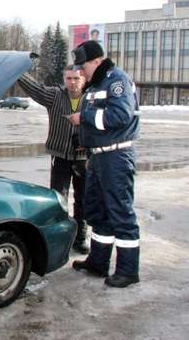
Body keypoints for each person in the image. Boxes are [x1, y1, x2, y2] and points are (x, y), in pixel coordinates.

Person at [67, 40, 140, 288]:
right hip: (99, 157)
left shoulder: (116, 81)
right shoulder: (96, 83)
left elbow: (120, 116)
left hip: (116, 157)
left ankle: (128, 271)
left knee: (120, 212)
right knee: (97, 212)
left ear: (97, 61)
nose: (80, 71)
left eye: (83, 66)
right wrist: (90, 157)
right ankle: (98, 262)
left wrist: (83, 116)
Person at [18, 66, 88, 254]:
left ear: (83, 79)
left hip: (84, 159)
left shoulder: (91, 98)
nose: (72, 82)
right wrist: (17, 69)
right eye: (68, 78)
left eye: (76, 78)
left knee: (83, 200)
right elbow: (35, 88)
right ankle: (61, 239)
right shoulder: (55, 95)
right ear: (64, 79)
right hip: (60, 157)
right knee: (58, 199)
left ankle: (80, 239)